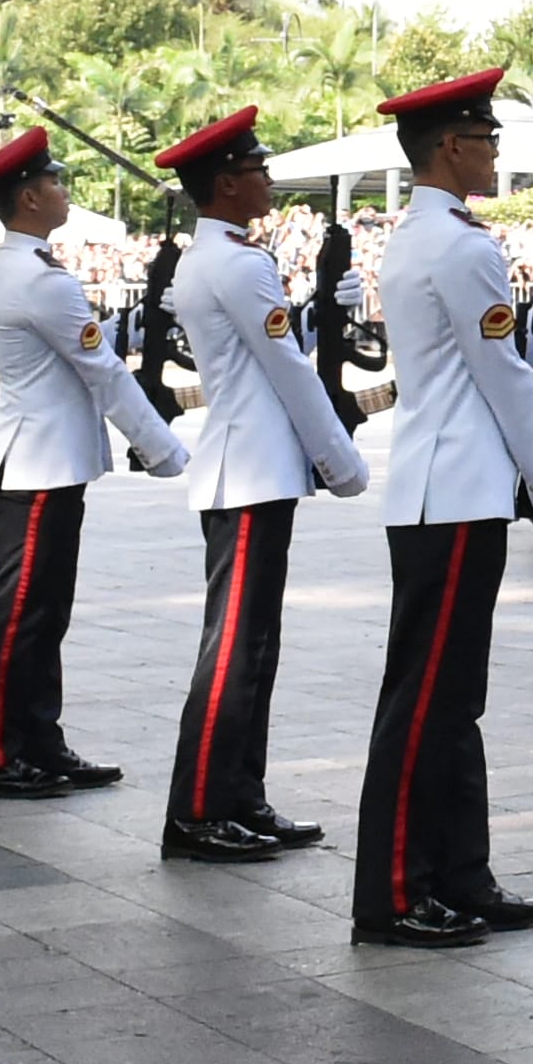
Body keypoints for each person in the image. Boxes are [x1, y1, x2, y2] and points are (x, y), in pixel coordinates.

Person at [355, 66, 533, 949]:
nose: (494, 153)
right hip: (454, 493)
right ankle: (399, 891)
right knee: (428, 701)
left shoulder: (426, 236)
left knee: (452, 697)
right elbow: (505, 378)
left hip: (440, 489)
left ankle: (458, 873)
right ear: (451, 147)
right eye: (486, 140)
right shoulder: (460, 246)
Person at [159, 107, 366, 862]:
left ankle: (240, 795)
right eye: (257, 169)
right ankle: (200, 810)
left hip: (246, 468)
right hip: (250, 471)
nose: (268, 179)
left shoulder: (214, 257)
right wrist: (340, 461)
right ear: (225, 184)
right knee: (235, 651)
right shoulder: (241, 264)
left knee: (254, 647)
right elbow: (288, 373)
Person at [0, 128, 180, 800]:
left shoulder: (30, 269)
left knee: (45, 614)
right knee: (22, 614)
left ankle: (38, 741)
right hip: (38, 464)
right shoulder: (37, 278)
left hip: (46, 462)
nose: (63, 190)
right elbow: (103, 372)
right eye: (54, 182)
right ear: (28, 197)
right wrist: (160, 446)